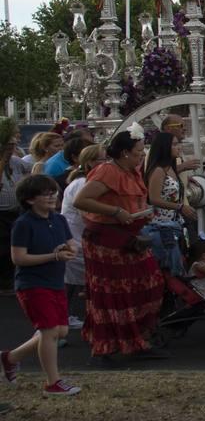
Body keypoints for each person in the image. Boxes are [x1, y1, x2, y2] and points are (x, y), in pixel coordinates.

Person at [74, 128, 166, 366]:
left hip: (129, 236)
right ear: (124, 153)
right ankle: (107, 345)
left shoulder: (131, 171)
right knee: (113, 293)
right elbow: (81, 200)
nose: (142, 155)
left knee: (149, 283)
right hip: (106, 241)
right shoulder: (108, 171)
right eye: (138, 152)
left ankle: (137, 339)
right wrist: (116, 211)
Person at [0, 174, 80, 396]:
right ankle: (53, 382)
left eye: (53, 192)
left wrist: (70, 250)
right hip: (32, 284)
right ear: (30, 199)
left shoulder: (59, 219)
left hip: (56, 282)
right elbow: (19, 258)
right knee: (49, 331)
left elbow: (71, 244)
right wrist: (52, 256)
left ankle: (10, 358)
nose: (52, 197)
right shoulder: (23, 224)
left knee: (60, 331)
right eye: (45, 194)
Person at [60, 144, 104, 330]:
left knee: (74, 283)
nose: (106, 164)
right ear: (91, 163)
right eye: (102, 160)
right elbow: (87, 215)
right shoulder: (81, 184)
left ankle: (65, 315)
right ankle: (63, 317)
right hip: (75, 238)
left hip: (77, 237)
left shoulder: (85, 182)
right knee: (70, 284)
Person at [143, 132, 193, 280]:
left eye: (178, 143)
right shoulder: (158, 170)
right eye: (174, 144)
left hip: (174, 223)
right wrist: (179, 207)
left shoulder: (170, 168)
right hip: (161, 226)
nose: (179, 147)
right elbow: (153, 198)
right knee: (169, 269)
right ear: (165, 147)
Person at [1, 117, 25, 293]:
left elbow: (36, 167)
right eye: (8, 147)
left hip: (14, 212)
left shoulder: (15, 162)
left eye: (13, 146)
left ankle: (8, 281)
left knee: (11, 246)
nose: (12, 150)